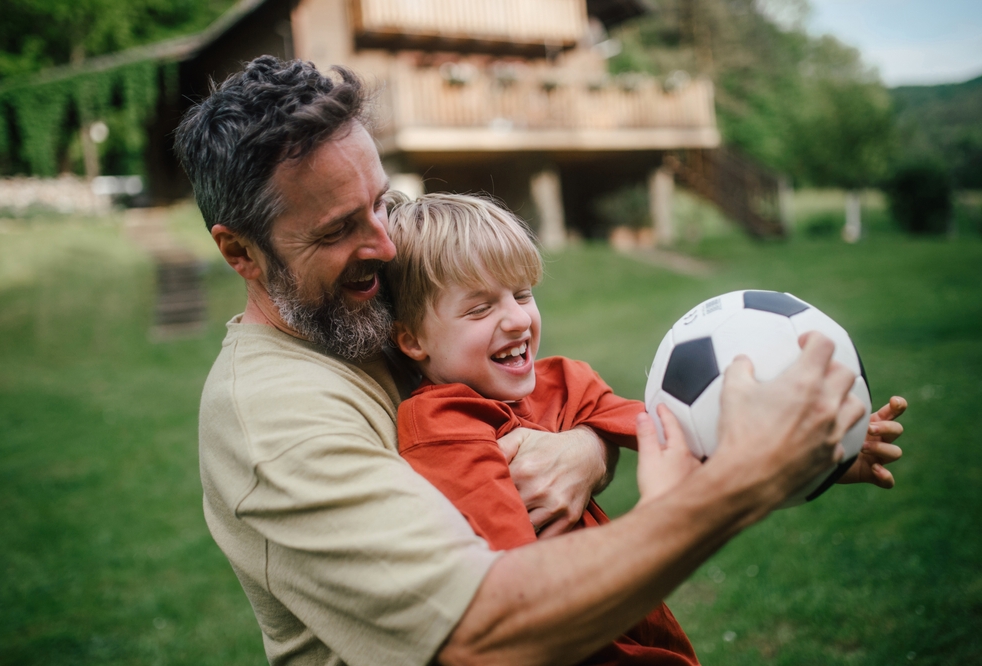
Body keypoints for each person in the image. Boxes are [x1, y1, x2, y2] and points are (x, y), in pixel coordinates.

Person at [176, 56, 905, 666]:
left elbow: (545, 415)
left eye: (383, 203)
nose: (388, 245)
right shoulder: (274, 423)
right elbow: (483, 630)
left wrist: (582, 447)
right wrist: (736, 486)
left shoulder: (364, 311)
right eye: (341, 227)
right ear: (239, 251)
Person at [387, 192, 703, 665]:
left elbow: (679, 429)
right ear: (413, 340)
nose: (516, 319)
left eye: (522, 294)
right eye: (479, 309)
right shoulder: (442, 429)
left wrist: (833, 453)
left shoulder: (563, 381)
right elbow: (518, 588)